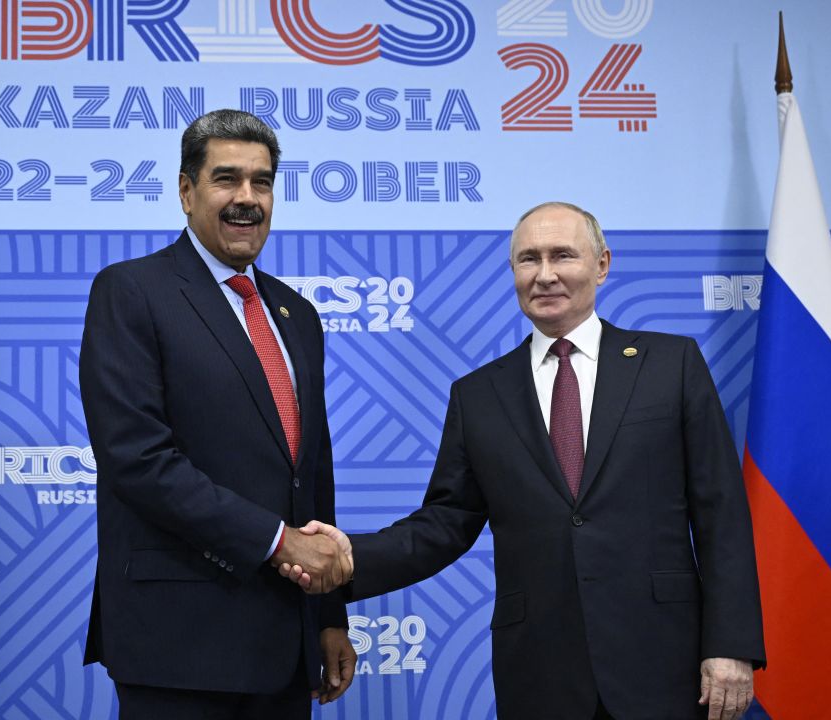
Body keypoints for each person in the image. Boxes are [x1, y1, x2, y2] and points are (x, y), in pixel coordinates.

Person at [284, 202, 765, 720]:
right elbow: (445, 524)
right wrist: (352, 557)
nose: (545, 274)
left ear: (602, 264)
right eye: (528, 259)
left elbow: (722, 514)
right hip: (541, 673)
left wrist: (731, 644)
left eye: (563, 256)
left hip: (665, 665)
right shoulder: (479, 396)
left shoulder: (672, 365)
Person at [80, 109, 355, 719]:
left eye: (262, 182)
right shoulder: (131, 292)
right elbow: (138, 460)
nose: (246, 199)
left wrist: (329, 616)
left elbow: (311, 476)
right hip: (179, 642)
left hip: (285, 640)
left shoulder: (296, 314)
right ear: (186, 190)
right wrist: (278, 540)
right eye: (226, 179)